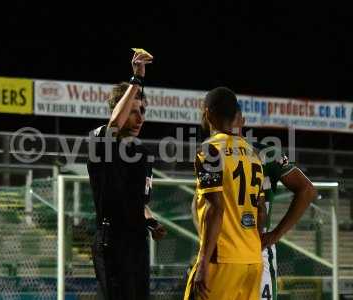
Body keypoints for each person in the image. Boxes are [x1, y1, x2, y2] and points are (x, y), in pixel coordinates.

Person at [190, 106, 318, 300]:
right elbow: (307, 190)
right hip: (250, 251)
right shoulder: (261, 152)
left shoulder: (214, 152)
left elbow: (307, 190)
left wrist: (274, 235)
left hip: (232, 252)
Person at [86, 51, 166, 300]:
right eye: (133, 111)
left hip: (137, 242)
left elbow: (140, 202)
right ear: (118, 110)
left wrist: (151, 222)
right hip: (112, 240)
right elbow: (113, 127)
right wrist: (137, 79)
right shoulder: (100, 138)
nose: (140, 117)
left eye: (143, 110)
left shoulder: (141, 152)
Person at [184, 87, 265, 300]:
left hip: (222, 260)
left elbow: (216, 208)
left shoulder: (209, 150)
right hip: (253, 261)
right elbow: (261, 211)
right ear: (236, 116)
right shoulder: (254, 154)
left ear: (208, 113)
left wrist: (202, 263)